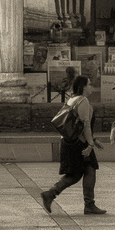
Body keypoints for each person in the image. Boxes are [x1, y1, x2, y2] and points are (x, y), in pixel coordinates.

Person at [41, 74, 105, 216]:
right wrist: (90, 145)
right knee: (89, 169)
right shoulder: (83, 101)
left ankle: (51, 194)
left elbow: (77, 126)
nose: (91, 87)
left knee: (76, 173)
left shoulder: (72, 100)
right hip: (79, 144)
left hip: (70, 142)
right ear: (83, 87)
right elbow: (85, 126)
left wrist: (93, 140)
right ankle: (89, 205)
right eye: (89, 84)